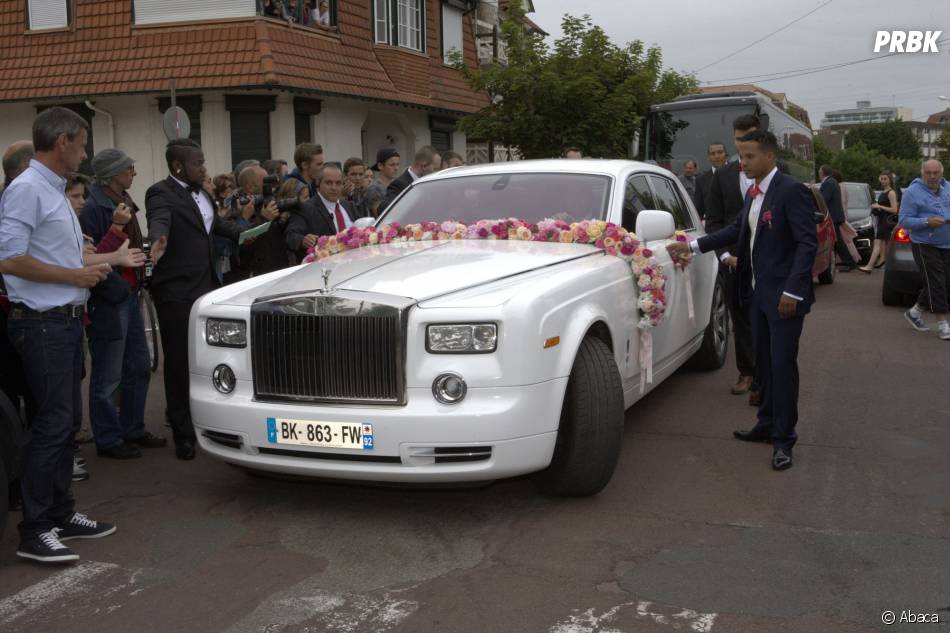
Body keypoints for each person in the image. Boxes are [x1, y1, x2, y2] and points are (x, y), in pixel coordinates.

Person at [0, 107, 145, 563]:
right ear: (62, 142)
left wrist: (105, 262)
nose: (85, 152)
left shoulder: (52, 189)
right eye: (82, 143)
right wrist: (71, 277)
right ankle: (35, 528)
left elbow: (62, 259)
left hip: (62, 321)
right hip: (42, 323)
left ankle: (61, 513)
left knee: (63, 425)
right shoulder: (26, 189)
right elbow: (9, 259)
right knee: (53, 423)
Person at [668, 130, 817, 471]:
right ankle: (765, 424)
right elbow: (737, 231)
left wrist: (792, 292)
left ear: (769, 157)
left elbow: (806, 245)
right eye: (741, 156)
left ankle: (784, 439)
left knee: (781, 367)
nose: (742, 163)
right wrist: (691, 246)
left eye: (749, 156)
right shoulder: (754, 192)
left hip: (785, 299)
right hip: (758, 294)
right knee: (763, 365)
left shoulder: (791, 191)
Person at [145, 138, 244, 461]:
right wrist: (158, 238)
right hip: (176, 292)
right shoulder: (160, 192)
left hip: (207, 288)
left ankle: (207, 421)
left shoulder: (202, 193)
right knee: (178, 364)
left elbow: (215, 227)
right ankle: (182, 433)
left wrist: (250, 232)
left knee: (206, 359)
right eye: (198, 163)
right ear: (178, 166)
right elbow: (159, 219)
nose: (204, 168)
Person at [79, 149, 166, 459]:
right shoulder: (93, 208)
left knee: (139, 366)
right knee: (108, 374)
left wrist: (147, 254)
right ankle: (109, 438)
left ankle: (132, 428)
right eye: (129, 168)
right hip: (110, 300)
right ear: (114, 173)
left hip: (129, 294)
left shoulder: (124, 200)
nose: (133, 172)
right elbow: (92, 256)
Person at [705, 115, 763, 402]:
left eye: (749, 136)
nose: (743, 144)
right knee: (740, 318)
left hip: (766, 262)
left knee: (766, 319)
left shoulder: (779, 173)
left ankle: (766, 375)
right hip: (734, 261)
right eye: (739, 139)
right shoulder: (724, 176)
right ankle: (747, 372)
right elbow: (714, 222)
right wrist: (725, 255)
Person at [900, 159, 950, 340]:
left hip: (947, 243)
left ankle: (915, 312)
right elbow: (904, 221)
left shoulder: (949, 188)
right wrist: (926, 221)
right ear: (922, 173)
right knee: (936, 282)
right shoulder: (912, 192)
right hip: (924, 244)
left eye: (936, 172)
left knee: (944, 282)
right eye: (928, 173)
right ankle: (943, 324)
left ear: (941, 172)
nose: (932, 176)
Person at [285, 164, 356, 261]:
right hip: (323, 269)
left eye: (338, 183)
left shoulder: (350, 206)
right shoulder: (306, 208)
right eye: (328, 183)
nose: (334, 188)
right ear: (318, 184)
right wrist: (303, 240)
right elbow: (291, 236)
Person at [819, 164, 857, 272]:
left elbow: (823, 199)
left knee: (837, 240)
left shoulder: (828, 183)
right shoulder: (832, 182)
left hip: (833, 217)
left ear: (822, 172)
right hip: (836, 216)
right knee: (837, 240)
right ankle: (848, 262)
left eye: (820, 171)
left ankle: (849, 262)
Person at [859, 171, 900, 273]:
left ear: (890, 180)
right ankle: (889, 265)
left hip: (886, 222)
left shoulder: (891, 193)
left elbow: (894, 209)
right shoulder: (884, 192)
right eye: (881, 179)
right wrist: (876, 207)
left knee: (878, 244)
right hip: (882, 220)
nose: (883, 181)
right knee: (887, 245)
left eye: (885, 179)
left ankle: (869, 266)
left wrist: (879, 206)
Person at [380, 145, 440, 211]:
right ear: (424, 166)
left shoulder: (430, 183)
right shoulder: (399, 184)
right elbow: (384, 208)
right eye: (435, 169)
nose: (437, 173)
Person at [694, 142, 727, 221]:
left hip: (738, 229)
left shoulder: (738, 173)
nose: (717, 156)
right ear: (709, 157)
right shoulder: (701, 180)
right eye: (712, 154)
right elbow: (699, 210)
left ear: (726, 154)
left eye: (720, 152)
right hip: (713, 229)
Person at [365, 148, 400, 217]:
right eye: (392, 165)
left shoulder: (397, 185)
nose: (396, 168)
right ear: (380, 166)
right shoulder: (374, 189)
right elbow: (380, 215)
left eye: (398, 164)